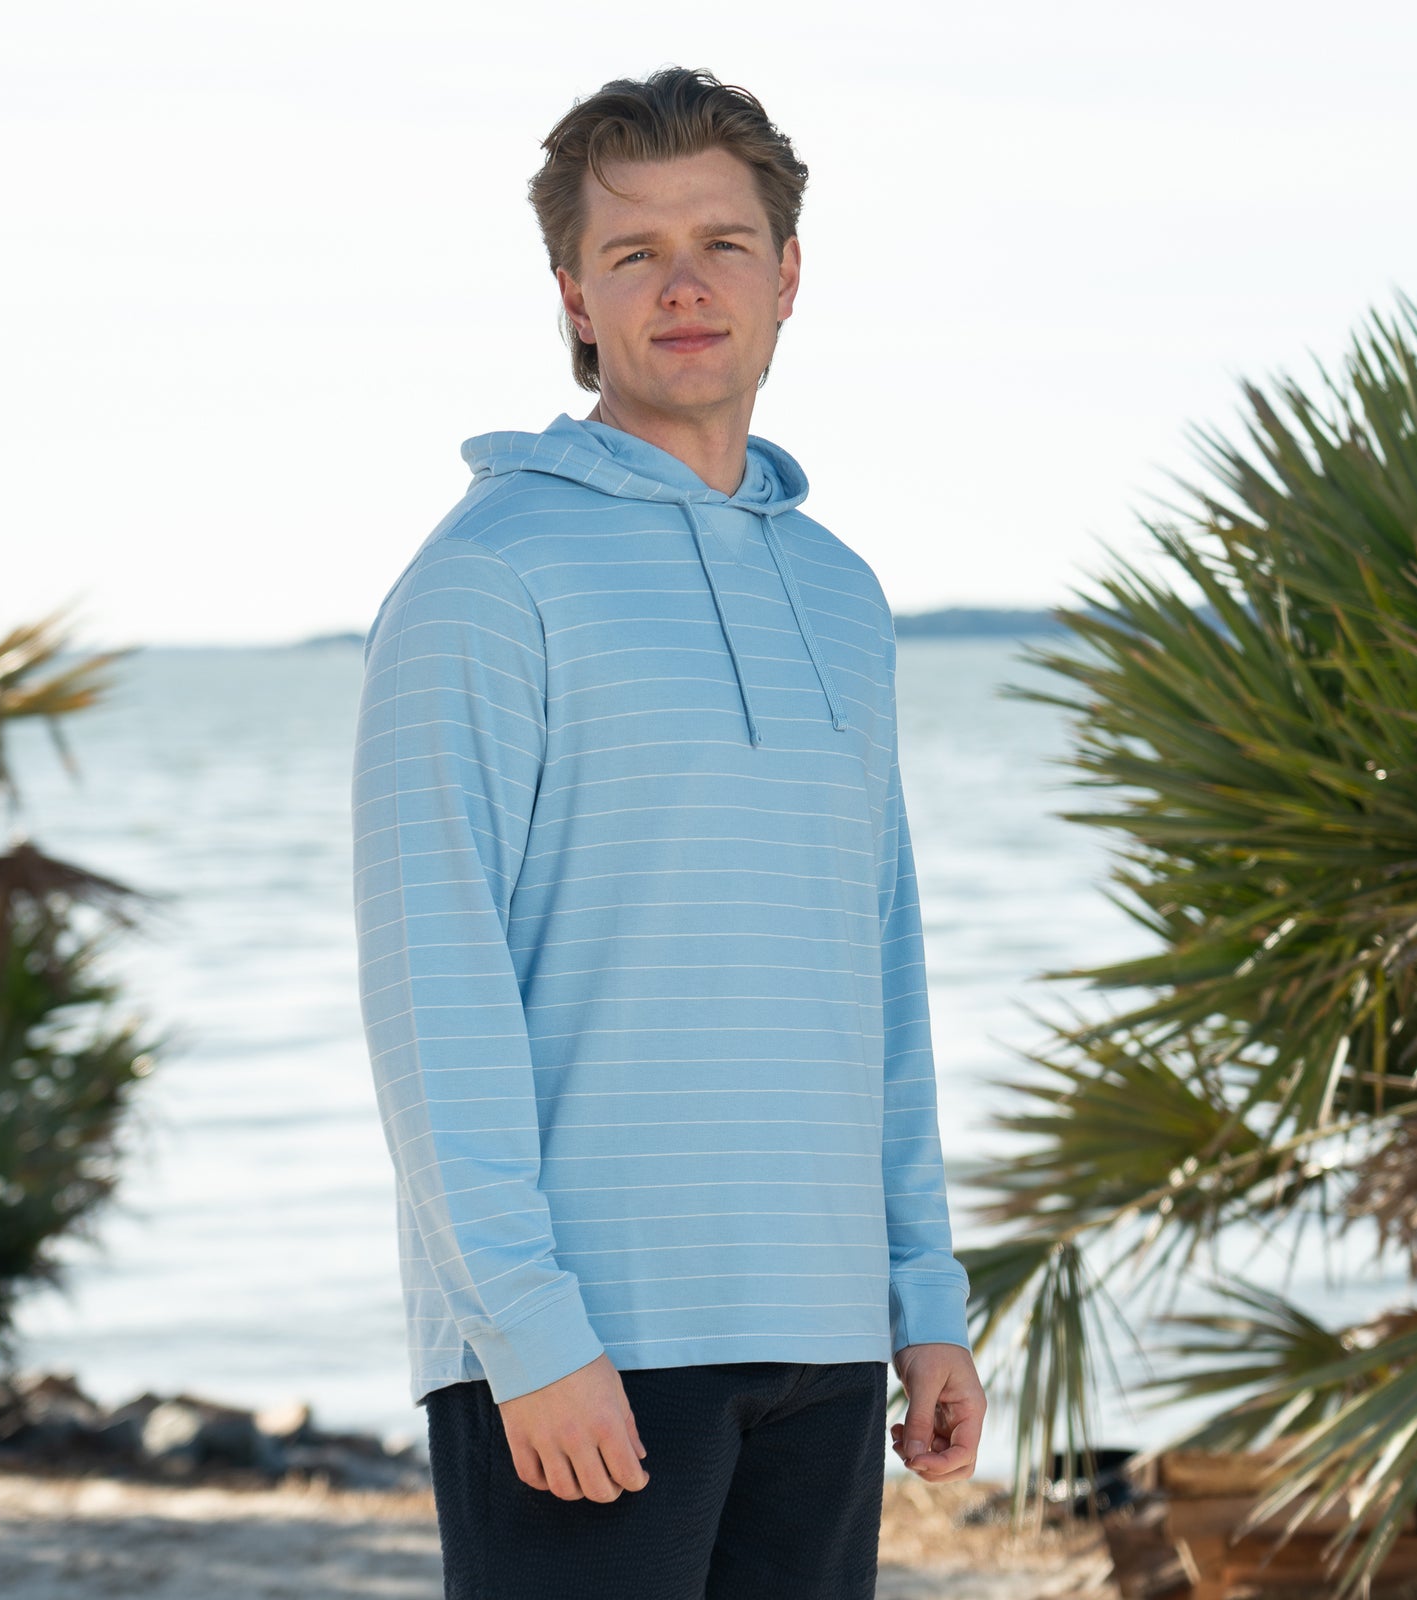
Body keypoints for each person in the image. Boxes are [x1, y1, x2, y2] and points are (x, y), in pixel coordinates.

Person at [351, 65, 986, 1599]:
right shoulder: (489, 576)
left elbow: (878, 965)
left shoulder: (842, 593)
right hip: (590, 1349)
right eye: (635, 253)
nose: (685, 285)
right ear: (574, 293)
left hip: (825, 1343)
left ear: (787, 279)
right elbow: (433, 981)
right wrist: (526, 1329)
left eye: (723, 243)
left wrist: (923, 1292)